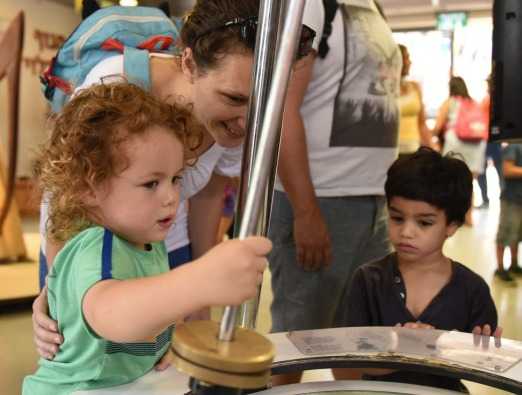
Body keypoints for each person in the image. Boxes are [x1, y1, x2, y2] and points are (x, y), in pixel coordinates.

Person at [33, 0, 321, 360]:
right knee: (88, 354)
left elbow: (209, 192)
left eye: (263, 104)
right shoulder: (114, 84)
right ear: (188, 64)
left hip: (165, 238)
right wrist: (57, 286)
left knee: (158, 361)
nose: (247, 123)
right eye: (233, 98)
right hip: (84, 241)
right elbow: (65, 199)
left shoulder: (237, 118)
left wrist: (201, 293)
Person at [23, 83, 270, 395]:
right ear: (89, 188)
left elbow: (147, 313)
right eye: (151, 183)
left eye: (176, 179)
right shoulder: (93, 247)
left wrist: (169, 336)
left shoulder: (145, 242)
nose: (171, 197)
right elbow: (112, 314)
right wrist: (198, 281)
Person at [269, 0, 401, 384]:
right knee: (297, 342)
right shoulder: (310, 5)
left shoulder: (371, 5)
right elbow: (280, 108)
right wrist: (305, 211)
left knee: (360, 337)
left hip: (373, 201)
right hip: (321, 198)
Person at [345, 147, 500, 392]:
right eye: (397, 218)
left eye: (424, 223)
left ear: (452, 225)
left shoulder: (472, 289)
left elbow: (481, 363)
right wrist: (403, 349)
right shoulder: (368, 280)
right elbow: (352, 361)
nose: (406, 232)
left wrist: (485, 354)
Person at [432, 76, 487, 225]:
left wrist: (433, 137)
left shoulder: (450, 102)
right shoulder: (473, 102)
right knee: (469, 183)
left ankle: (452, 217)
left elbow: (438, 126)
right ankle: (468, 218)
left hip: (455, 145)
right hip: (476, 146)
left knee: (451, 182)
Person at [397, 44, 432, 157]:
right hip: (393, 151)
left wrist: (432, 147)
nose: (410, 62)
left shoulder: (415, 87)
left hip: (414, 149)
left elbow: (422, 123)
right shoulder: (386, 88)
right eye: (406, 58)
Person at [495, 143, 522, 282]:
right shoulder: (513, 145)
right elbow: (507, 170)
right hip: (512, 199)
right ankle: (500, 268)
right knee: (505, 233)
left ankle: (514, 264)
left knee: (517, 234)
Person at [477, 75, 502, 209]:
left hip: (491, 138)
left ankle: (498, 197)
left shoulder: (495, 99)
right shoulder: (488, 98)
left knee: (499, 167)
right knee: (483, 171)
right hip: (485, 138)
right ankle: (486, 199)